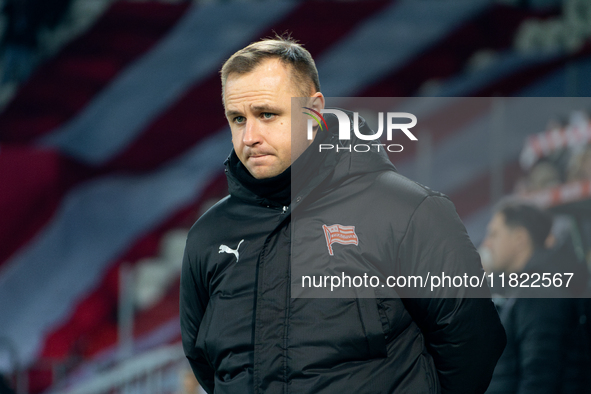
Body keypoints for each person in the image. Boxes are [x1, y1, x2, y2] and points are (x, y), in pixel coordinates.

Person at [180, 35, 506, 394]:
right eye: (237, 118)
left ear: (314, 111)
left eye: (267, 114)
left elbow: (474, 345)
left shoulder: (408, 212)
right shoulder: (208, 237)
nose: (249, 136)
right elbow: (207, 366)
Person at [482, 201, 591, 394]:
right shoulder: (525, 289)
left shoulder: (540, 293)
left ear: (520, 239)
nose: (487, 243)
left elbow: (539, 379)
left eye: (494, 234)